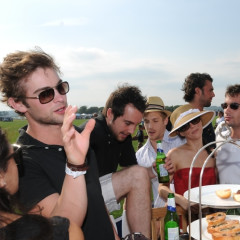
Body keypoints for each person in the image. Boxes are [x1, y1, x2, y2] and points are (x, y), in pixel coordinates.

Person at [0, 49, 115, 240]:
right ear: (18, 104)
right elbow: (62, 229)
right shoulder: (22, 163)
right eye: (45, 94)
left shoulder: (78, 137)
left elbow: (96, 198)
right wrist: (75, 165)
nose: (60, 97)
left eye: (60, 87)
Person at [79, 84, 152, 239]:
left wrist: (159, 170)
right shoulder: (90, 134)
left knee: (139, 174)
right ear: (110, 113)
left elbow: (134, 175)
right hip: (80, 196)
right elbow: (87, 189)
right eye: (127, 123)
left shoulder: (122, 134)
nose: (132, 131)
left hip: (99, 193)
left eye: (136, 124)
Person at [0, 114, 86, 240]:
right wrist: (76, 164)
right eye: (15, 154)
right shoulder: (53, 232)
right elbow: (67, 224)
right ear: (1, 177)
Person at [136, 96, 186, 208]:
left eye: (155, 121)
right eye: (146, 121)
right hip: (159, 215)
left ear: (165, 120)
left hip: (186, 210)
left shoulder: (181, 144)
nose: (150, 126)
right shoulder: (140, 155)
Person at [168, 104, 216, 196]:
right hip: (184, 210)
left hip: (213, 210)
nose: (192, 126)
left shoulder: (214, 154)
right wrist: (182, 201)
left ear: (201, 122)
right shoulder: (174, 155)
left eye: (195, 120)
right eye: (185, 126)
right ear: (181, 133)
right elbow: (162, 188)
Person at [182, 73, 216, 146]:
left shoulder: (205, 117)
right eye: (210, 90)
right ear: (198, 91)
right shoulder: (183, 122)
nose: (213, 94)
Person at [216, 84, 240, 184]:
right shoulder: (219, 136)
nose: (227, 110)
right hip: (222, 198)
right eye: (225, 105)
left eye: (234, 106)